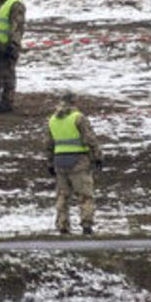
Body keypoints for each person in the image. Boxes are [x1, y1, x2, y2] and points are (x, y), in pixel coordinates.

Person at [44, 91, 102, 235]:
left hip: (59, 162)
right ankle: (86, 225)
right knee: (85, 195)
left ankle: (63, 225)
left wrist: (50, 162)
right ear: (74, 102)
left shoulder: (52, 120)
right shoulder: (78, 118)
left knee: (62, 195)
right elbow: (90, 138)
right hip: (79, 161)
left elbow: (48, 144)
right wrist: (97, 156)